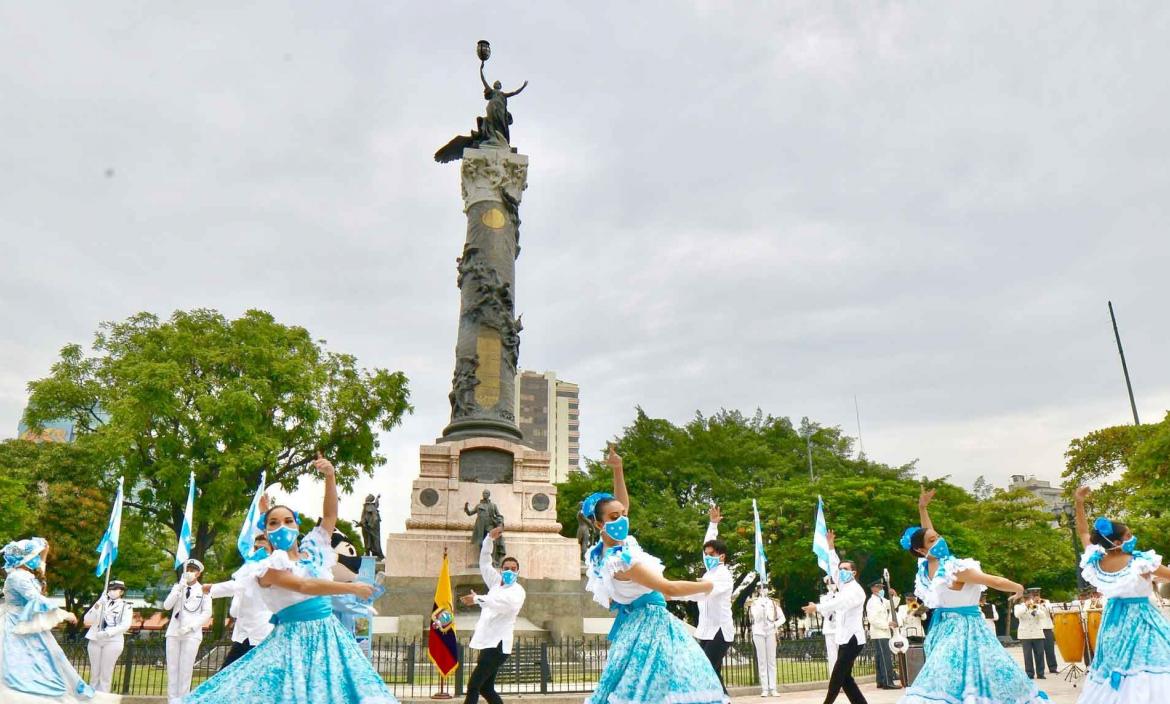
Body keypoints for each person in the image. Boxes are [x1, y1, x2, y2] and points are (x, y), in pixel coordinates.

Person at [184, 454, 397, 704]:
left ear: (297, 526)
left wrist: (330, 476)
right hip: (292, 641)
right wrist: (353, 589)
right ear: (266, 532)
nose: (282, 526)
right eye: (273, 524)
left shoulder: (314, 549)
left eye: (287, 521)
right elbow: (303, 585)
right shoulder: (266, 568)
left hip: (329, 636)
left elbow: (329, 517)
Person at [583, 444, 727, 704]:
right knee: (673, 684)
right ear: (598, 523)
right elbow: (668, 588)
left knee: (645, 687)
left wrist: (618, 470)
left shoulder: (600, 553)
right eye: (614, 517)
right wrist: (708, 587)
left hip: (635, 624)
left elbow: (621, 504)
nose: (622, 519)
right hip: (651, 626)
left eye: (623, 515)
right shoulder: (620, 561)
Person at [897, 488, 1045, 704]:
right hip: (966, 627)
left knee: (948, 676)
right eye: (933, 541)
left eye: (938, 537)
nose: (938, 540)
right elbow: (993, 581)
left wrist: (922, 508)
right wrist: (1019, 587)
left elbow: (926, 533)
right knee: (978, 674)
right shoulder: (954, 568)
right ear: (921, 550)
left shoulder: (926, 567)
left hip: (944, 628)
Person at [1073, 485, 1170, 703]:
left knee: (1117, 668)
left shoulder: (1095, 561)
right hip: (1143, 621)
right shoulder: (1140, 562)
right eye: (1128, 535)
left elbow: (1083, 532)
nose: (1132, 537)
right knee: (1153, 665)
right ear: (1117, 542)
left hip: (1113, 625)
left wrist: (1079, 502)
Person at [0, 537, 119, 702]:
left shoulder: (23, 574)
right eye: (34, 555)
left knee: (48, 659)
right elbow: (36, 598)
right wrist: (64, 614)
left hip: (26, 623)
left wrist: (44, 556)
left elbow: (40, 585)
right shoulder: (17, 577)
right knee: (22, 664)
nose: (37, 558)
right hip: (16, 625)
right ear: (25, 558)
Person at [459, 525, 526, 704]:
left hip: (499, 645)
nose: (509, 571)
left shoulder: (518, 591)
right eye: (506, 568)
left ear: (518, 571)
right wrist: (489, 539)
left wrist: (478, 599)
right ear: (501, 569)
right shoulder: (496, 583)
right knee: (485, 688)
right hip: (487, 642)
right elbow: (485, 563)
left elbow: (504, 605)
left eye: (513, 568)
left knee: (473, 686)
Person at [802, 529, 868, 704]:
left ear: (854, 572)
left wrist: (817, 607)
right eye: (841, 570)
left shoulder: (855, 590)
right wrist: (831, 546)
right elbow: (833, 564)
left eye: (846, 569)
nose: (841, 571)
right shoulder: (843, 584)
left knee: (837, 676)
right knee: (845, 679)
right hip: (844, 638)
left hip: (853, 640)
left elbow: (838, 604)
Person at [680, 505, 734, 694]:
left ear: (722, 556)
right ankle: (721, 699)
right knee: (712, 672)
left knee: (706, 670)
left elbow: (701, 593)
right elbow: (707, 543)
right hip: (705, 630)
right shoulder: (709, 572)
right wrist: (712, 524)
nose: (708, 557)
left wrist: (673, 592)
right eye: (706, 555)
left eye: (712, 555)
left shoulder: (723, 575)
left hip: (720, 631)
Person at [202, 534, 274, 670]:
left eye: (263, 549)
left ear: (271, 550)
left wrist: (210, 588)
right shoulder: (251, 566)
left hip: (260, 630)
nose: (259, 551)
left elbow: (238, 585)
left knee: (231, 672)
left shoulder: (268, 568)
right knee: (229, 671)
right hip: (246, 631)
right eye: (256, 547)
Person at [164, 558, 213, 703]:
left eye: (193, 570)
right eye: (188, 570)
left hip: (191, 634)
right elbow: (167, 606)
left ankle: (183, 700)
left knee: (185, 670)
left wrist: (191, 627)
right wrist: (179, 587)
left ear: (198, 573)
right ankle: (171, 700)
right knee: (172, 669)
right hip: (174, 632)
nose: (189, 572)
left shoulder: (203, 590)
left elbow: (207, 612)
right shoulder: (178, 587)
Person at [84, 579, 134, 692]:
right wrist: (97, 604)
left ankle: (103, 698)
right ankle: (92, 697)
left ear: (121, 592)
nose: (112, 591)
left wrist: (107, 633)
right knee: (94, 672)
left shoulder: (126, 606)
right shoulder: (101, 603)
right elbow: (87, 620)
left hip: (113, 640)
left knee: (106, 673)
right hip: (95, 639)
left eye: (115, 589)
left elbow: (125, 625)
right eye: (110, 589)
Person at [748, 583, 783, 697]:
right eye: (761, 588)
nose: (764, 590)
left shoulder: (773, 603)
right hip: (758, 632)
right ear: (758, 590)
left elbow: (782, 618)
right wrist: (760, 607)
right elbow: (756, 618)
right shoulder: (754, 603)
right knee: (762, 661)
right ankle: (765, 688)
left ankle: (773, 688)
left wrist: (774, 625)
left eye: (766, 587)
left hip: (770, 631)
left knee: (771, 661)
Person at [866, 580, 898, 689]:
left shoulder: (881, 600)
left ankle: (880, 681)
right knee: (885, 658)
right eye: (879, 587)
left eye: (882, 587)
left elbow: (892, 605)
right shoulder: (872, 602)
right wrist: (887, 624)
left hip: (884, 632)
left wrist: (894, 595)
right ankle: (888, 682)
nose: (881, 589)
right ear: (873, 588)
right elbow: (873, 619)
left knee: (880, 658)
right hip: (880, 632)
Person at [1014, 590, 1050, 679]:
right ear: (1023, 599)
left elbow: (1043, 616)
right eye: (1025, 598)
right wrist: (1026, 607)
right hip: (1025, 634)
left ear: (1031, 598)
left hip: (1037, 633)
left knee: (1040, 653)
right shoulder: (1018, 607)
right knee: (1027, 655)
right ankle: (1029, 674)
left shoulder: (1036, 606)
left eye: (1029, 598)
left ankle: (1040, 673)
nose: (1027, 599)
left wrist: (1035, 609)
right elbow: (1017, 615)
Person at [1035, 589, 1059, 674]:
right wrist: (1036, 605)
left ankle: (1053, 668)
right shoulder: (1031, 604)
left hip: (1047, 628)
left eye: (1037, 594)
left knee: (1050, 650)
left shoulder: (1046, 602)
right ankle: (1040, 670)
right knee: (1039, 651)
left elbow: (1051, 610)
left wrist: (1044, 604)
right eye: (1034, 595)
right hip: (1037, 629)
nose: (1036, 597)